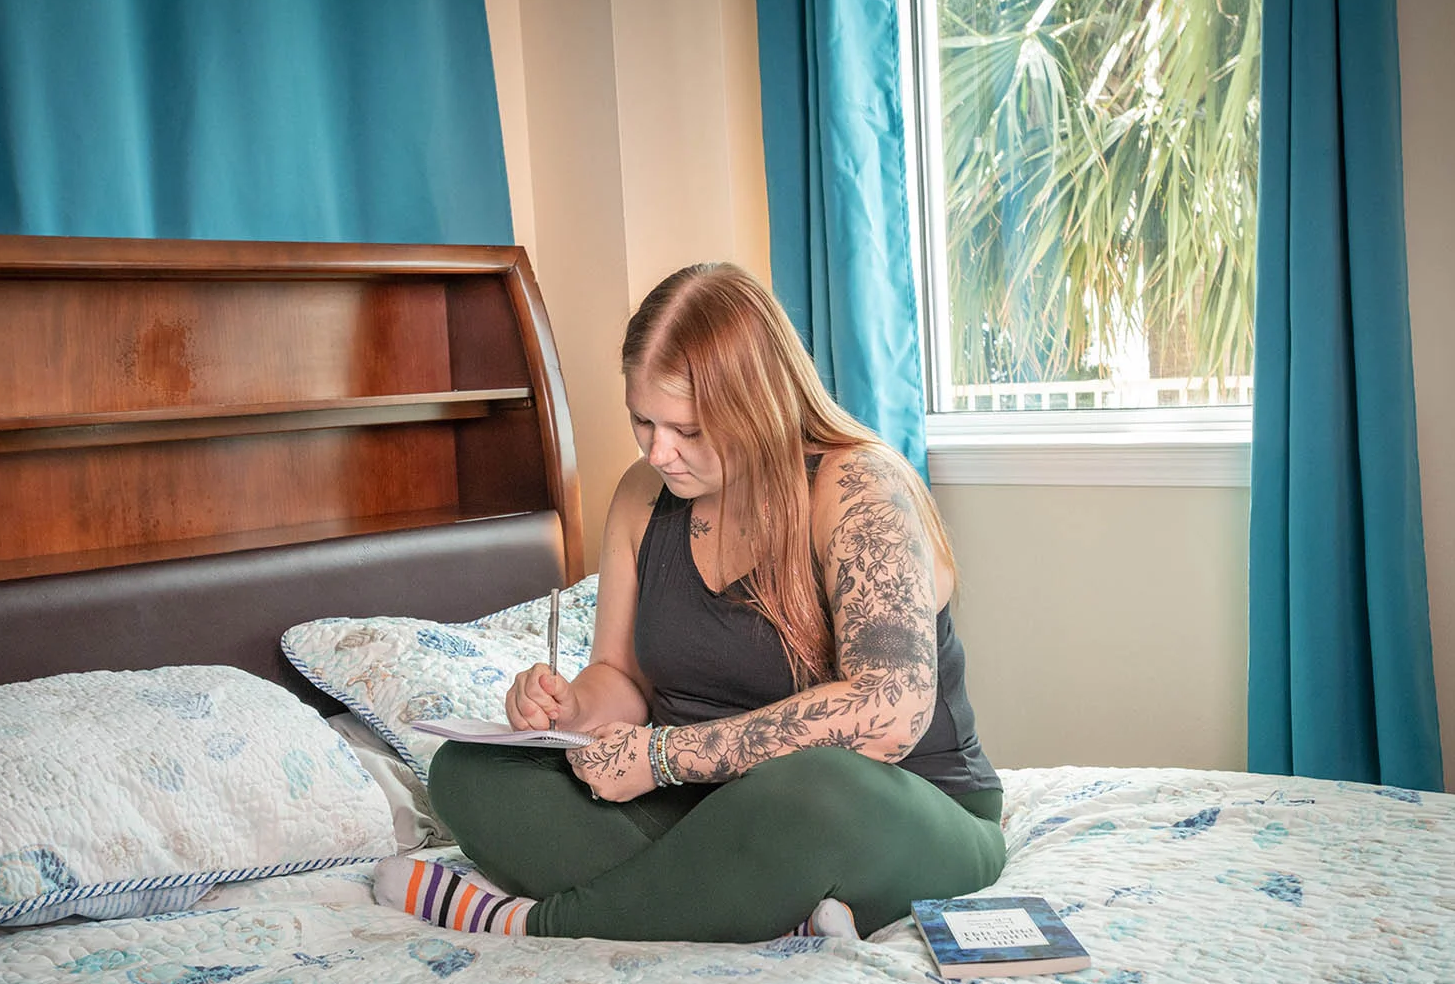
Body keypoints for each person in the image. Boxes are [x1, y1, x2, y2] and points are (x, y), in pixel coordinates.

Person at [374, 263, 1005, 942]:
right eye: (642, 420)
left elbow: (890, 710)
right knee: (471, 772)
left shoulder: (856, 490)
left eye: (688, 430)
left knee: (815, 786)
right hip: (702, 814)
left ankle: (536, 922)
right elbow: (622, 679)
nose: (659, 451)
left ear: (758, 405)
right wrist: (566, 710)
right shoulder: (641, 497)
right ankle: (754, 903)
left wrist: (663, 757)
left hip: (892, 808)